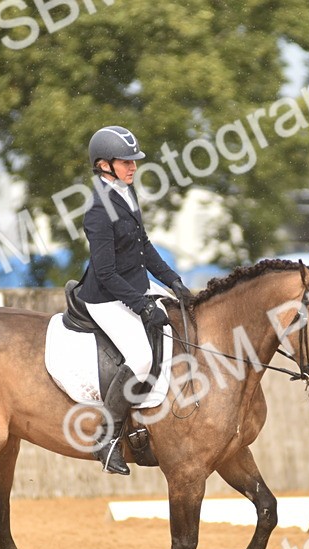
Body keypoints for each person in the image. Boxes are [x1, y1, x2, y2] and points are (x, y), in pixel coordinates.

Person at [78, 125, 192, 475]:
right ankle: (107, 438)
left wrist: (173, 280)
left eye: (134, 161)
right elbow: (106, 273)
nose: (134, 167)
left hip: (135, 286)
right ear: (104, 165)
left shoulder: (126, 193)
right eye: (126, 162)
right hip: (106, 297)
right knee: (141, 357)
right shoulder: (98, 211)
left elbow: (143, 246)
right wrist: (143, 305)